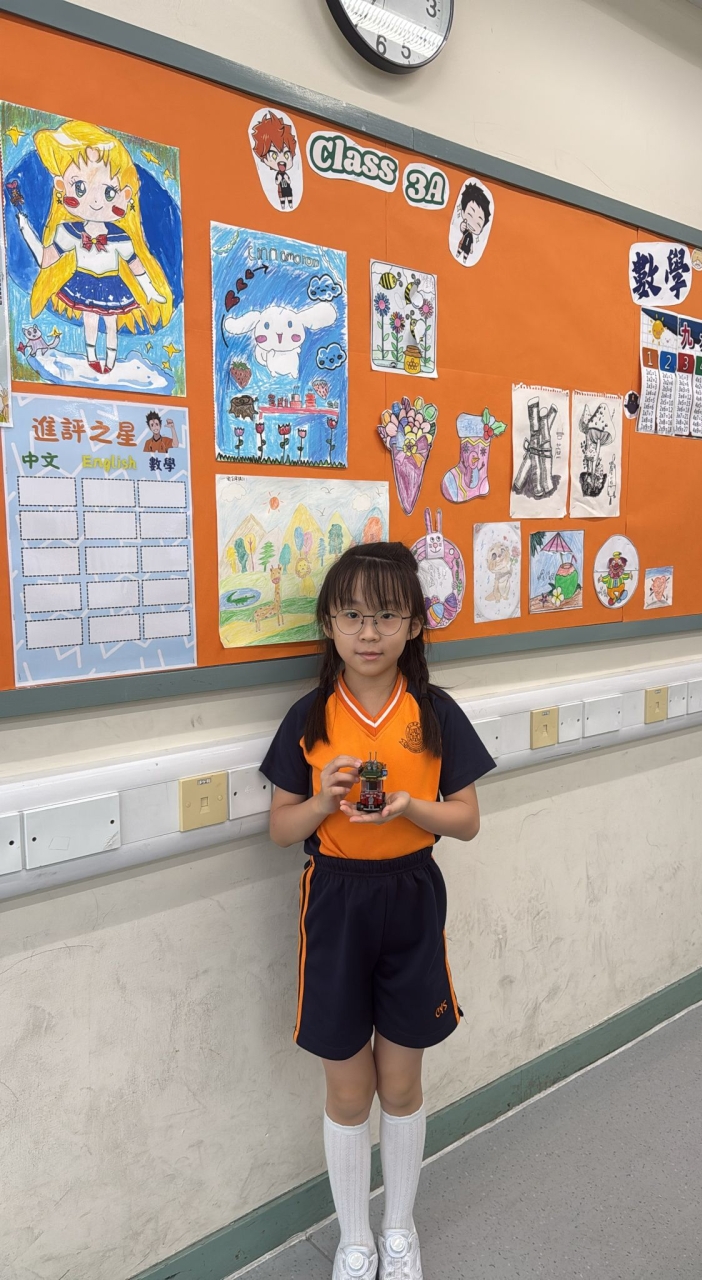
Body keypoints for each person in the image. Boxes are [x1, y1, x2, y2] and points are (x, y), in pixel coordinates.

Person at [260, 542, 495, 1280]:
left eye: (387, 616)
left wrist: (409, 805)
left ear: (415, 626)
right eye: (352, 615)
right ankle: (355, 1240)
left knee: (400, 1082)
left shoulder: (434, 712)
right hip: (334, 902)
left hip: (411, 896)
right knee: (348, 1087)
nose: (369, 632)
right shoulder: (310, 717)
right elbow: (280, 829)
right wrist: (321, 801)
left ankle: (398, 1231)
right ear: (329, 624)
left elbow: (466, 819)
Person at [16, 119, 171, 375]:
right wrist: (25, 230)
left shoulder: (120, 236)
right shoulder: (69, 231)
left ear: (125, 196)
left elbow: (135, 263)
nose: (96, 200)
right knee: (90, 319)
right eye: (80, 187)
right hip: (84, 280)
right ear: (61, 187)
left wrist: (149, 290)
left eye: (109, 192)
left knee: (110, 323)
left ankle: (110, 359)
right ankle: (91, 357)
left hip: (112, 283)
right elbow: (46, 259)